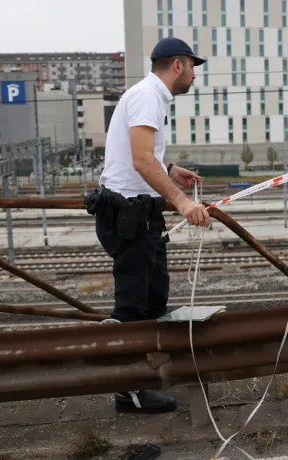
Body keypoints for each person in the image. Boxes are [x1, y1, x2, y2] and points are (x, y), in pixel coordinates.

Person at [85, 37, 211, 414]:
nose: (193, 74)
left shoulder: (151, 96)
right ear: (177, 65)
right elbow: (140, 160)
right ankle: (129, 390)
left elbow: (142, 155)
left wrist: (171, 169)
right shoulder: (148, 96)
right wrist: (183, 202)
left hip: (140, 215)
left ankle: (144, 376)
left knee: (154, 297)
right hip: (128, 216)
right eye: (192, 66)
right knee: (134, 305)